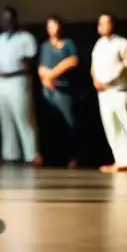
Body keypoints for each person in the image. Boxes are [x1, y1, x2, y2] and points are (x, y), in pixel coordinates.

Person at [0, 7, 42, 166]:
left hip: (18, 79)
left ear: (15, 20)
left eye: (8, 18)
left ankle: (31, 154)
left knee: (23, 117)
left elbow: (31, 59)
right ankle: (10, 154)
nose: (5, 21)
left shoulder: (25, 37)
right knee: (5, 119)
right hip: (1, 81)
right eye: (3, 18)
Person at [90, 13, 127, 173]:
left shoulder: (124, 44)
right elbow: (94, 66)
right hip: (104, 93)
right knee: (112, 127)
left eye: (106, 23)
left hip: (120, 90)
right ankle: (121, 160)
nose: (102, 26)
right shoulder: (99, 45)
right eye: (100, 23)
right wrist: (96, 80)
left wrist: (110, 81)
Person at [38, 16, 80, 168]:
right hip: (48, 90)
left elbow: (72, 61)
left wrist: (52, 74)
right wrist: (46, 78)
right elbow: (41, 68)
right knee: (52, 124)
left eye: (54, 25)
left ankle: (74, 157)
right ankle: (53, 157)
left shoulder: (68, 44)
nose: (52, 28)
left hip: (64, 89)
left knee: (70, 123)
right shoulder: (44, 46)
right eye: (49, 26)